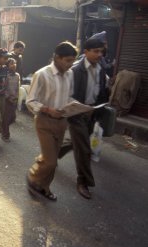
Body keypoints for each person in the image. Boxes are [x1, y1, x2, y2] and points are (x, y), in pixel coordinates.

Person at [26, 41, 78, 201]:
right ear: (57, 57)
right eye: (67, 60)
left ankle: (44, 187)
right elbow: (30, 101)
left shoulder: (70, 74)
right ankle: (33, 177)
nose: (70, 65)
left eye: (73, 61)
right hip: (44, 121)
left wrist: (76, 106)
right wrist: (48, 110)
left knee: (52, 161)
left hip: (62, 122)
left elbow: (68, 96)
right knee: (50, 162)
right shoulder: (42, 74)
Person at [59, 39, 109, 199]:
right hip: (77, 114)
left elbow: (101, 91)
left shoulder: (101, 70)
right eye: (95, 51)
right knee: (84, 149)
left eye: (101, 51)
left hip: (92, 113)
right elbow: (66, 94)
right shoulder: (75, 70)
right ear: (86, 52)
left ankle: (52, 154)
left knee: (76, 143)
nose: (99, 54)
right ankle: (83, 182)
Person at [2, 58, 20, 142]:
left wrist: (16, 97)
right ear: (7, 66)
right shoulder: (6, 76)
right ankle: (5, 134)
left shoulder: (17, 75)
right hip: (7, 100)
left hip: (14, 99)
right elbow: (3, 88)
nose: (14, 65)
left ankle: (2, 127)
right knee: (6, 118)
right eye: (11, 63)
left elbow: (17, 88)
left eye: (15, 63)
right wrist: (8, 97)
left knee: (12, 118)